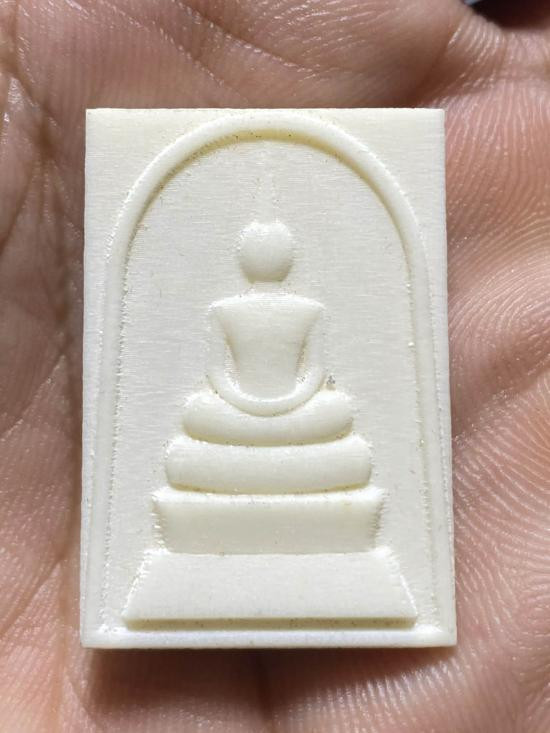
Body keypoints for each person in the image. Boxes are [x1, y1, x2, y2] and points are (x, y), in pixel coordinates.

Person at [0, 0, 548, 730]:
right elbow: (227, 379)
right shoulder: (229, 311)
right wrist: (257, 407)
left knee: (330, 434)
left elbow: (307, 376)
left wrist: (270, 408)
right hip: (249, 423)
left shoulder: (304, 311)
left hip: (285, 420)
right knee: (207, 435)